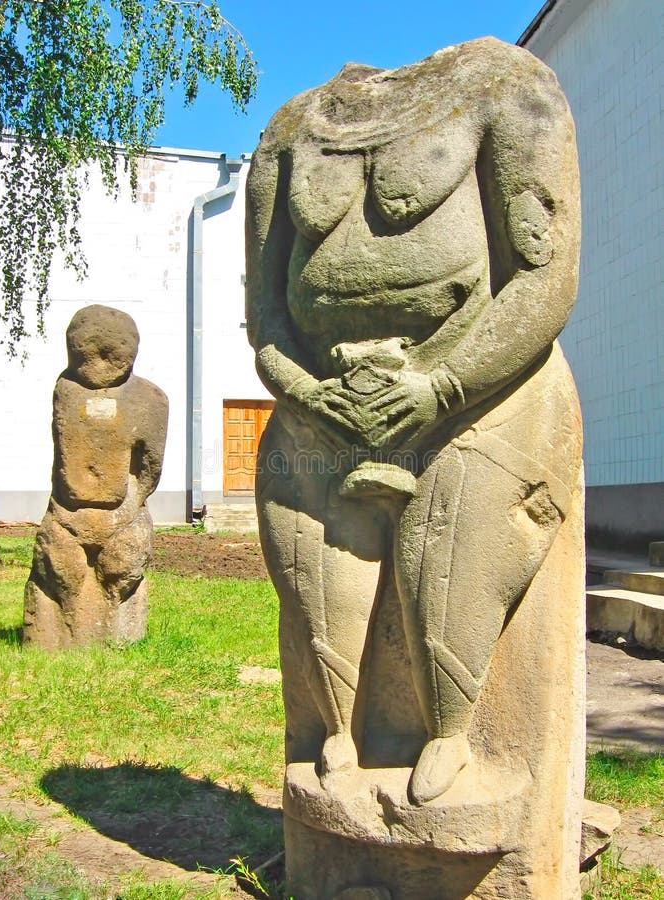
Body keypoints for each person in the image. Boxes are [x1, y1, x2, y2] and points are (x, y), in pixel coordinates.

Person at [247, 38, 582, 803]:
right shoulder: (289, 131)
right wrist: (305, 393)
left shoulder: (501, 82)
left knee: (448, 574)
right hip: (322, 407)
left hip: (477, 391)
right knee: (319, 597)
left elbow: (545, 274)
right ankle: (336, 733)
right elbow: (264, 314)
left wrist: (443, 386)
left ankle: (451, 737)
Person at [23, 305, 168, 649]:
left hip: (123, 514)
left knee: (120, 568)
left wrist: (126, 510)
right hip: (66, 512)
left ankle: (118, 638)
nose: (96, 364)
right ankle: (54, 638)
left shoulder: (149, 400)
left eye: (107, 354)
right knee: (61, 573)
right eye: (82, 353)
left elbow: (149, 469)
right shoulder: (67, 389)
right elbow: (63, 457)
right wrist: (65, 513)